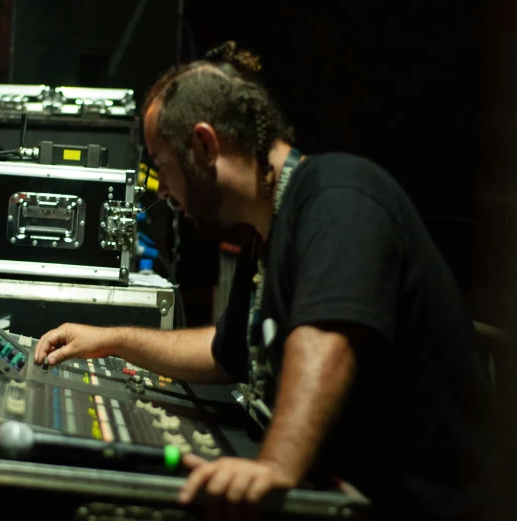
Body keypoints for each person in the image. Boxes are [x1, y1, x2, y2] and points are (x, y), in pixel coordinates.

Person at [34, 41, 490, 521]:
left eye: (163, 165)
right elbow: (224, 351)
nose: (163, 189)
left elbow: (326, 340)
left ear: (205, 146)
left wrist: (273, 466)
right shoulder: (268, 230)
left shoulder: (340, 196)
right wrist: (111, 340)